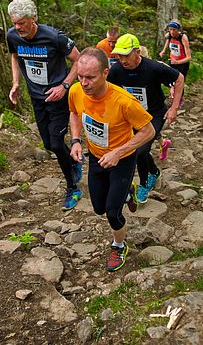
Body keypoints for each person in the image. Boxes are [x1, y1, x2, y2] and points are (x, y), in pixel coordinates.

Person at [68, 48, 155, 272]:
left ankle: (119, 245)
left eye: (90, 77)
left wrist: (118, 152)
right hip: (97, 157)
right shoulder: (76, 91)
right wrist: (76, 141)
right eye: (80, 76)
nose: (84, 83)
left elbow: (148, 131)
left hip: (122, 160)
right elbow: (75, 113)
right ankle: (129, 192)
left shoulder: (124, 101)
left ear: (105, 73)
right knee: (98, 207)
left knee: (112, 212)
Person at [6, 0, 83, 211]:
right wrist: (15, 83)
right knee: (49, 144)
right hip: (36, 96)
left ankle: (73, 188)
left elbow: (79, 59)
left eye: (22, 22)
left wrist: (65, 86)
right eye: (14, 23)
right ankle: (74, 160)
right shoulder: (12, 35)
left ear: (34, 18)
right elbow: (14, 56)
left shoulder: (54, 37)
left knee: (57, 144)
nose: (18, 27)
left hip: (57, 97)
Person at [108, 33, 184, 203]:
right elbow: (110, 91)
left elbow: (179, 79)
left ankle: (145, 182)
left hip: (154, 115)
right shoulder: (116, 70)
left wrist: (174, 107)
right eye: (119, 56)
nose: (122, 60)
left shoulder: (154, 68)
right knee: (134, 150)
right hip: (132, 115)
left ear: (137, 52)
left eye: (126, 56)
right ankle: (154, 171)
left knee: (139, 150)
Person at [158, 20, 191, 106]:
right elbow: (167, 41)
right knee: (169, 79)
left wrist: (178, 62)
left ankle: (180, 98)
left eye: (174, 30)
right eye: (170, 29)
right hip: (172, 61)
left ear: (178, 30)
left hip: (182, 63)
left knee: (180, 81)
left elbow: (189, 57)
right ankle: (172, 95)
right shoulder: (169, 35)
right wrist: (163, 51)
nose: (172, 32)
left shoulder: (183, 38)